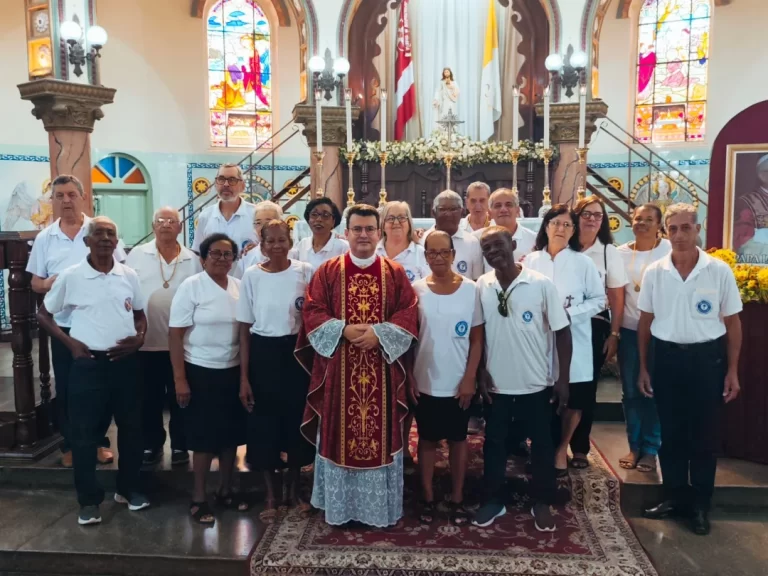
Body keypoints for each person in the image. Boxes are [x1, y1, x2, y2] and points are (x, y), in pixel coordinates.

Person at [297, 204, 418, 527]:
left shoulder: (394, 272)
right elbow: (312, 310)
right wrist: (343, 329)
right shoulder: (328, 271)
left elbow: (408, 311)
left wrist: (380, 334)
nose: (363, 235)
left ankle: (377, 509)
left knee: (379, 433)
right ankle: (340, 507)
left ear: (379, 233)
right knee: (339, 435)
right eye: (357, 229)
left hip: (381, 368)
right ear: (346, 233)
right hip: (340, 370)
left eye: (369, 229)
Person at [638, 203, 742, 536]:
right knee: (670, 435)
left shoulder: (718, 271)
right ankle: (673, 497)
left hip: (706, 361)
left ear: (698, 229)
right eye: (673, 229)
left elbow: (732, 322)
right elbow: (645, 322)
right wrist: (643, 367)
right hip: (666, 359)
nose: (679, 235)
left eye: (686, 228)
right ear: (664, 231)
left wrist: (733, 370)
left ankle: (699, 504)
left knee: (703, 436)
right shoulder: (655, 271)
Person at [37, 216, 148, 526]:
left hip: (125, 364)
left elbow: (140, 315)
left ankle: (128, 489)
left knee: (131, 429)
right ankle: (88, 501)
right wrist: (70, 344)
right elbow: (44, 315)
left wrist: (139, 339)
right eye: (97, 233)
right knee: (85, 435)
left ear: (117, 242)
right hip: (87, 365)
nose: (104, 238)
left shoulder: (128, 275)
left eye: (110, 233)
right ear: (87, 241)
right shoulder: (71, 277)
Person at [472, 226, 572, 531]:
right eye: (486, 248)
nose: (493, 253)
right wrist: (480, 372)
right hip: (497, 385)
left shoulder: (540, 284)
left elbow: (562, 332)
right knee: (495, 445)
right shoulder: (482, 285)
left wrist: (563, 379)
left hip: (536, 383)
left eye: (498, 245)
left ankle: (541, 501)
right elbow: (479, 334)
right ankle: (493, 500)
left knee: (542, 445)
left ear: (513, 244)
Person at [27, 174, 126, 468]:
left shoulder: (100, 230)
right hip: (63, 327)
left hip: (99, 324)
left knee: (102, 387)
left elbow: (120, 271)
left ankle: (98, 442)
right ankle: (71, 444)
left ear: (82, 197)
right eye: (59, 196)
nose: (66, 201)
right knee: (69, 388)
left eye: (71, 195)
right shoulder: (46, 237)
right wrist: (52, 284)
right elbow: (35, 282)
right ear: (53, 201)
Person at [237, 220, 315, 523]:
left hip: (296, 354)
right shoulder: (251, 276)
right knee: (263, 423)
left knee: (296, 421)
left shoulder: (305, 271)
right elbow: (244, 329)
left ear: (290, 240)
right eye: (270, 241)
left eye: (282, 240)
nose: (277, 246)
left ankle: (293, 491)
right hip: (263, 354)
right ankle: (270, 493)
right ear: (261, 243)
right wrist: (244, 377)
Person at [169, 233, 248, 525]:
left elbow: (244, 334)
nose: (221, 259)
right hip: (199, 370)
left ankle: (226, 489)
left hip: (232, 370)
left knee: (230, 437)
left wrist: (244, 377)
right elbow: (175, 335)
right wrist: (180, 380)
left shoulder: (240, 287)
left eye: (228, 254)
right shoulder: (191, 287)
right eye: (215, 253)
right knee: (203, 439)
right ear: (203, 258)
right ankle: (199, 497)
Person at [524, 205, 605, 476]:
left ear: (573, 231)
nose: (560, 229)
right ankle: (543, 447)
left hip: (576, 338)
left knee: (574, 398)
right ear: (545, 227)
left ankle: (562, 448)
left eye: (567, 225)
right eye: (555, 223)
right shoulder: (531, 261)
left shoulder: (583, 263)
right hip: (539, 341)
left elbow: (599, 300)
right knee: (542, 398)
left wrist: (569, 314)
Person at [409, 231, 483, 526]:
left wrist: (470, 378)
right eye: (432, 253)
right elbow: (410, 339)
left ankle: (457, 497)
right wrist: (410, 378)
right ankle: (427, 496)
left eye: (444, 252)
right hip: (425, 379)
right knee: (426, 440)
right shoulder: (415, 290)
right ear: (425, 256)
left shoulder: (471, 289)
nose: (438, 258)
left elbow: (477, 339)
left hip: (457, 382)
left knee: (457, 440)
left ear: (454, 254)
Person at [125, 207, 202, 466]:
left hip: (182, 344)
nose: (166, 224)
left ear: (180, 227)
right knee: (149, 397)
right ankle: (152, 443)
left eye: (172, 221)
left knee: (181, 396)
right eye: (160, 220)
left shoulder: (192, 259)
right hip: (146, 342)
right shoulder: (137, 254)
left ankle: (181, 444)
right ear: (153, 225)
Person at [568, 196, 628, 469]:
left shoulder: (608, 252)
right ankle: (550, 440)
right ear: (576, 217)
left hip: (593, 325)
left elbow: (616, 296)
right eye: (586, 214)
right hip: (561, 324)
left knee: (585, 386)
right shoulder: (563, 246)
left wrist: (614, 334)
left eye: (598, 215)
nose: (592, 219)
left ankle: (579, 447)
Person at [616, 204, 670, 472]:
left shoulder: (670, 251)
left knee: (654, 390)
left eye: (649, 219)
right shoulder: (621, 253)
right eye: (638, 219)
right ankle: (634, 446)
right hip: (628, 331)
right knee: (630, 391)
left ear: (659, 224)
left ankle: (651, 448)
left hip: (661, 332)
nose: (643, 223)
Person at [191, 163, 257, 255]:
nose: (226, 184)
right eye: (221, 179)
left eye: (232, 180)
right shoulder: (205, 216)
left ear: (242, 186)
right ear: (215, 184)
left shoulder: (255, 214)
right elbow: (198, 253)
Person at [421, 190, 483, 280]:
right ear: (433, 212)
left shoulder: (473, 243)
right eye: (442, 209)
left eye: (453, 209)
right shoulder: (421, 241)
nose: (448, 214)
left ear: (462, 212)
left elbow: (476, 280)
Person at [475, 187, 537, 272]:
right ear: (489, 213)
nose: (503, 209)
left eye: (508, 205)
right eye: (498, 206)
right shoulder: (476, 239)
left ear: (517, 210)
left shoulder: (533, 240)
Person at [289, 197, 348, 272]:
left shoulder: (343, 248)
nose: (319, 219)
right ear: (308, 219)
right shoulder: (302, 245)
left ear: (333, 221)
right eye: (314, 214)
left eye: (325, 215)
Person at [376, 201, 428, 283]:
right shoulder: (373, 253)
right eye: (390, 218)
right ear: (383, 225)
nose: (396, 222)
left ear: (409, 223)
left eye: (402, 218)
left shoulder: (421, 253)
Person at [233, 200, 283, 278]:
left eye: (268, 222)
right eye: (258, 223)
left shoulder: (293, 254)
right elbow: (238, 285)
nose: (262, 228)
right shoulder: (247, 256)